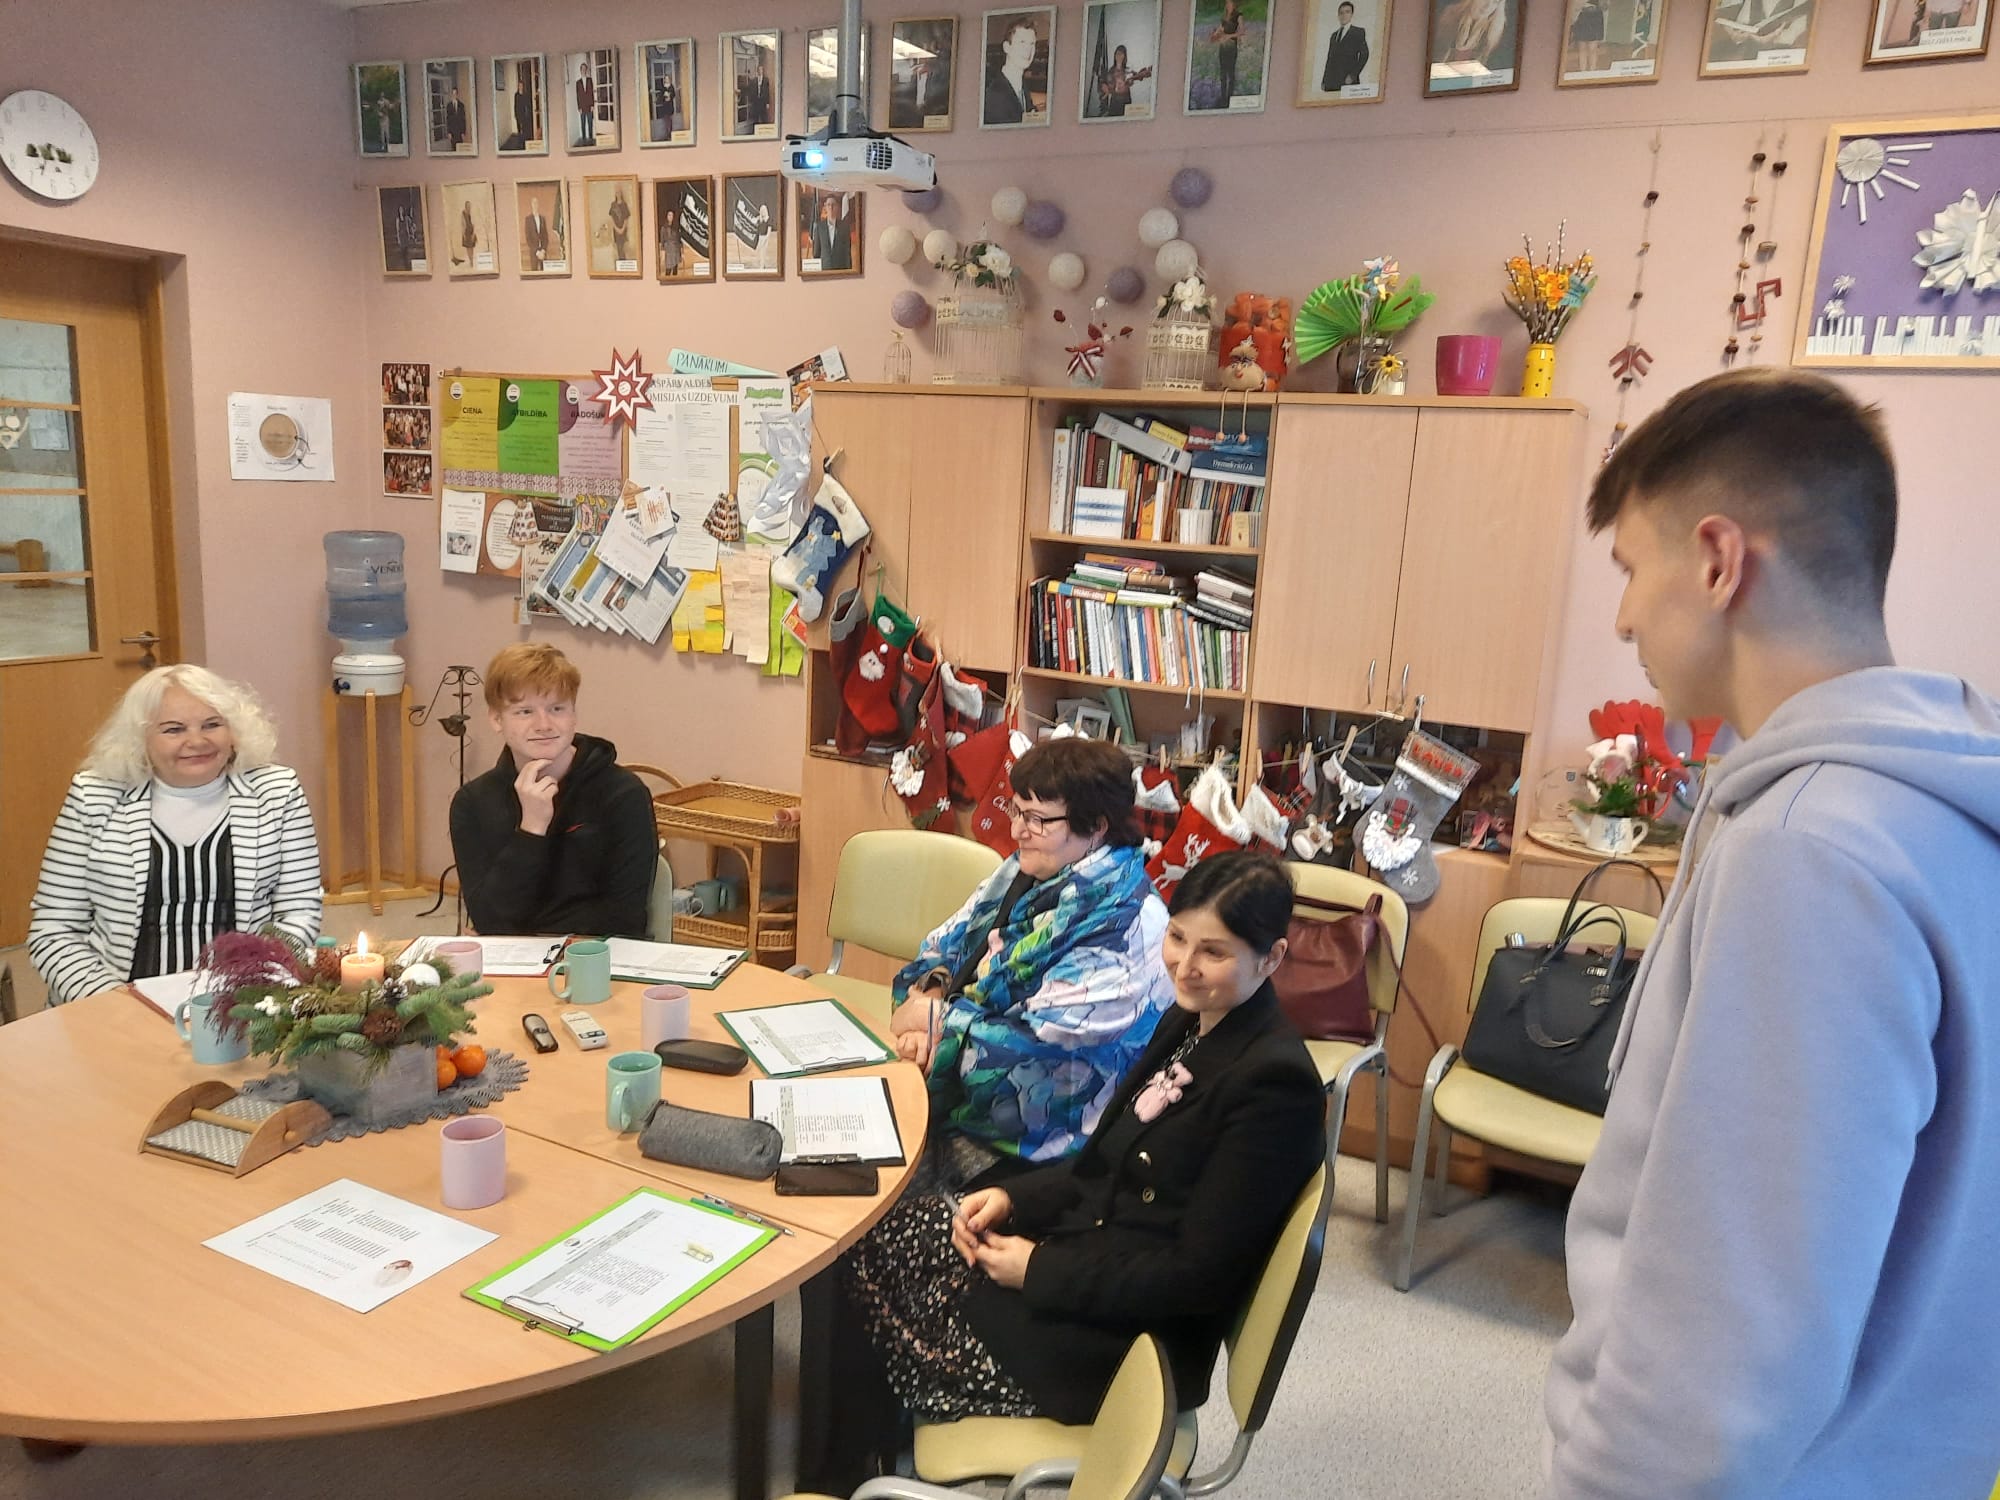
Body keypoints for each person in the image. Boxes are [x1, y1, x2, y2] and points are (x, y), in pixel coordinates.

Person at [1543, 368, 2000, 1498]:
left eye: (1628, 570)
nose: (1621, 618)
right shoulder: (1938, 810)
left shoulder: (1808, 851)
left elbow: (1721, 1354)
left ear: (1716, 560)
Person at [803, 851, 1323, 1492]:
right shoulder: (1193, 1019)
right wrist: (1011, 1199)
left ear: (1271, 958)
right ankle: (859, 1459)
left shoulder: (1274, 1085)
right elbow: (1105, 1160)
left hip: (1123, 1348)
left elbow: (1197, 1279)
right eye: (1177, 937)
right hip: (1093, 1264)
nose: (1183, 965)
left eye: (1213, 952)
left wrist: (1037, 1268)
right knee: (872, 1235)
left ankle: (840, 1473)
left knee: (865, 1274)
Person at [28, 665, 322, 1007]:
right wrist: (113, 1003)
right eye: (174, 729)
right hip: (112, 999)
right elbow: (54, 929)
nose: (196, 741)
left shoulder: (277, 791)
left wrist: (253, 988)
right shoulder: (93, 796)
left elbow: (300, 910)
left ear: (234, 731)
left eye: (212, 725)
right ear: (141, 738)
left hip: (241, 999)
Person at [448, 643, 656, 938]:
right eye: (524, 711)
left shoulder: (623, 793)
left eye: (557, 709)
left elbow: (625, 917)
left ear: (573, 715)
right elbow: (490, 920)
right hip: (511, 957)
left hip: (594, 954)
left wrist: (536, 932)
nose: (543, 725)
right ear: (496, 719)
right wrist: (531, 830)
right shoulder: (472, 803)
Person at [984, 16, 1038, 124]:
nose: (1028, 49)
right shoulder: (993, 92)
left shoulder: (1022, 86)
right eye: (1022, 42)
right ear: (1006, 47)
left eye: (1032, 44)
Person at [1321, 0, 1371, 89]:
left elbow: (1364, 55)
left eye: (1347, 12)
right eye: (1341, 13)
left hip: (1348, 81)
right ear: (1338, 16)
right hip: (1332, 83)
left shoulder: (1358, 32)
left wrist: (1353, 75)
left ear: (1351, 14)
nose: (1344, 15)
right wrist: (1324, 81)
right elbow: (1330, 59)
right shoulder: (1334, 36)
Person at [1093, 44, 1152, 117]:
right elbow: (1105, 85)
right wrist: (1105, 87)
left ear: (1124, 56)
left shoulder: (1128, 70)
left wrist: (1144, 73)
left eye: (1121, 54)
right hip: (1115, 103)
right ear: (1115, 55)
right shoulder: (1110, 71)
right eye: (1117, 54)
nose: (1119, 56)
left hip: (1126, 101)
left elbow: (1138, 76)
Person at [810, 192, 853, 271]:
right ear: (825, 207)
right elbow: (816, 253)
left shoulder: (844, 227)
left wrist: (849, 271)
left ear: (837, 207)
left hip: (841, 270)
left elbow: (847, 252)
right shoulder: (819, 227)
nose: (831, 207)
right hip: (824, 270)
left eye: (833, 204)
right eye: (828, 205)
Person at [1210, 0, 1243, 102]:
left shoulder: (1238, 16)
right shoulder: (1224, 18)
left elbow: (1241, 32)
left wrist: (1229, 36)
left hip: (1231, 47)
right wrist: (1214, 35)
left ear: (1234, 4)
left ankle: (1230, 96)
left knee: (1231, 73)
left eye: (1230, 3)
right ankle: (1223, 97)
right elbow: (1220, 30)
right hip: (1223, 46)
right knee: (1223, 73)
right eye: (1227, 3)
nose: (1228, 5)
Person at [1568, 0, 1607, 71]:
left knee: (1593, 48)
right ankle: (1582, 71)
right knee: (1582, 47)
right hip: (1582, 15)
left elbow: (1605, 6)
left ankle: (1592, 70)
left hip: (1595, 16)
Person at [606, 184, 632, 266]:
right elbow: (612, 218)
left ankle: (624, 264)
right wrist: (616, 228)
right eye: (617, 192)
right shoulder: (613, 205)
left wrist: (622, 229)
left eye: (619, 192)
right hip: (616, 230)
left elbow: (626, 218)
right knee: (618, 247)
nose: (618, 194)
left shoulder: (624, 204)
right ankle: (621, 264)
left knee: (623, 247)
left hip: (623, 230)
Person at [524, 195, 548, 270]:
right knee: (534, 271)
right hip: (534, 252)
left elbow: (545, 237)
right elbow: (528, 239)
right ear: (531, 205)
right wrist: (537, 252)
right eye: (534, 203)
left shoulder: (542, 219)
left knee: (544, 272)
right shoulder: (528, 219)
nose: (535, 205)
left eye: (536, 203)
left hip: (543, 252)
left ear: (538, 205)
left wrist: (543, 251)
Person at [574, 60, 595, 146]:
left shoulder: (590, 80)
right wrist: (579, 107)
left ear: (586, 70)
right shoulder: (578, 82)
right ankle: (583, 139)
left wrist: (592, 105)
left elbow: (591, 93)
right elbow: (578, 96)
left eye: (585, 68)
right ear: (580, 70)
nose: (583, 70)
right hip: (582, 106)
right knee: (583, 124)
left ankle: (590, 139)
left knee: (590, 123)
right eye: (582, 68)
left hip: (589, 106)